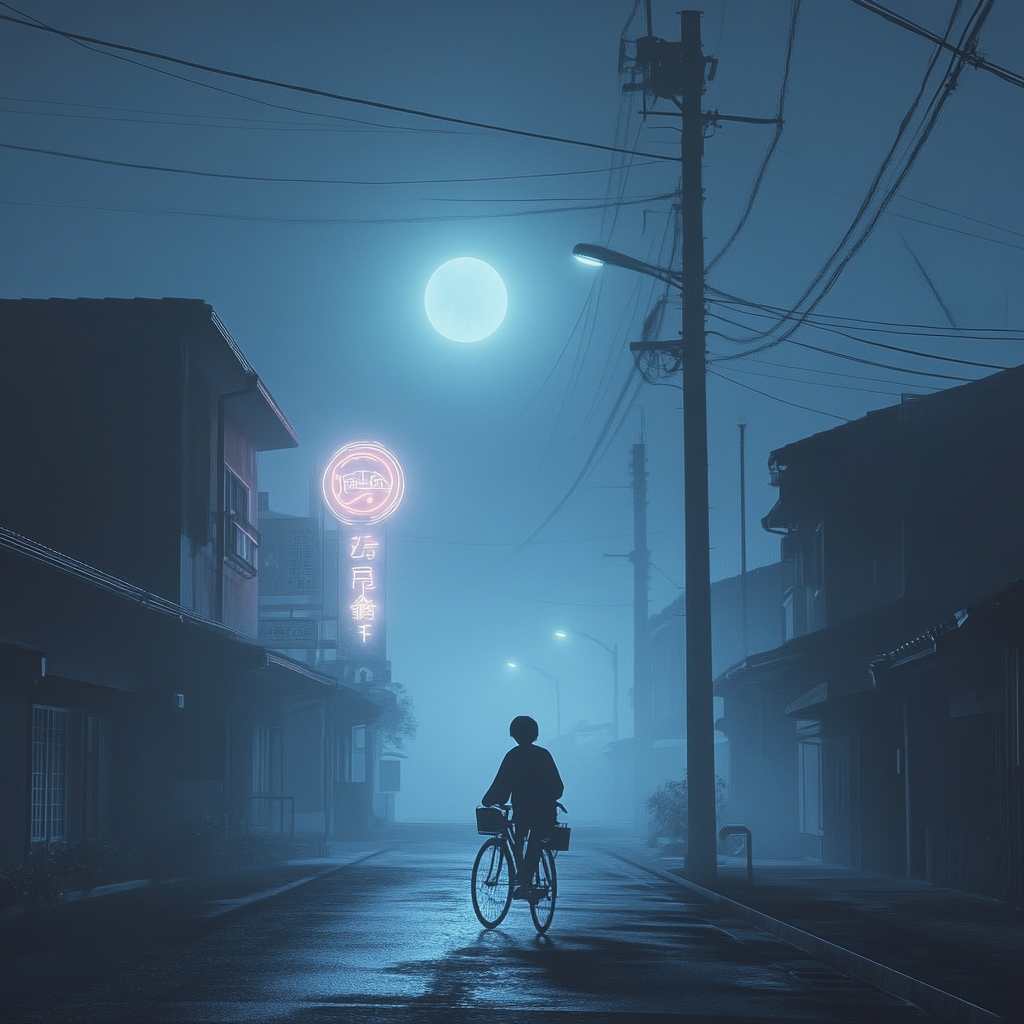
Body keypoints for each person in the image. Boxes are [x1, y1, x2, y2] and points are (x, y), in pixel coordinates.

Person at [482, 715, 564, 900]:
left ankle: (523, 879)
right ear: (535, 734)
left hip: (523, 812)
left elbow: (501, 784)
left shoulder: (513, 755)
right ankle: (524, 880)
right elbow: (558, 788)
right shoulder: (544, 755)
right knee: (536, 841)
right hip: (545, 812)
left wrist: (488, 801)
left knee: (520, 840)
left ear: (514, 735)